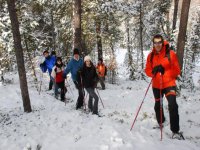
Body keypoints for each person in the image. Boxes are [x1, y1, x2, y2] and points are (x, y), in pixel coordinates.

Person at [145, 34, 183, 139]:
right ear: (153, 43)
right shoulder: (151, 56)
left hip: (169, 84)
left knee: (173, 105)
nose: (157, 44)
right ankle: (160, 122)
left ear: (162, 42)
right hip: (157, 85)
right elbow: (147, 70)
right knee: (158, 105)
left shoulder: (170, 54)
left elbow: (177, 70)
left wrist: (164, 70)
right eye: (155, 42)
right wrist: (153, 71)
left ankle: (175, 131)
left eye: (159, 42)